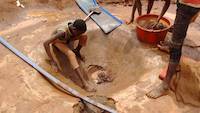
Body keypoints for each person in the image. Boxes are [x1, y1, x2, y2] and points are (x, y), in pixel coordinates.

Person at [146, 0, 200, 99]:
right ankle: (174, 56)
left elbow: (167, 3)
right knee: (178, 37)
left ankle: (165, 86)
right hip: (193, 5)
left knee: (175, 46)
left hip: (187, 5)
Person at [44, 19, 95, 92]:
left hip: (67, 39)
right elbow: (45, 43)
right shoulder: (62, 32)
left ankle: (77, 51)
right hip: (59, 41)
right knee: (71, 54)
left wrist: (79, 35)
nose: (78, 35)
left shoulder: (74, 28)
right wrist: (52, 61)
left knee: (84, 36)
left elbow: (80, 34)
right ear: (74, 29)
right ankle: (84, 83)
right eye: (78, 33)